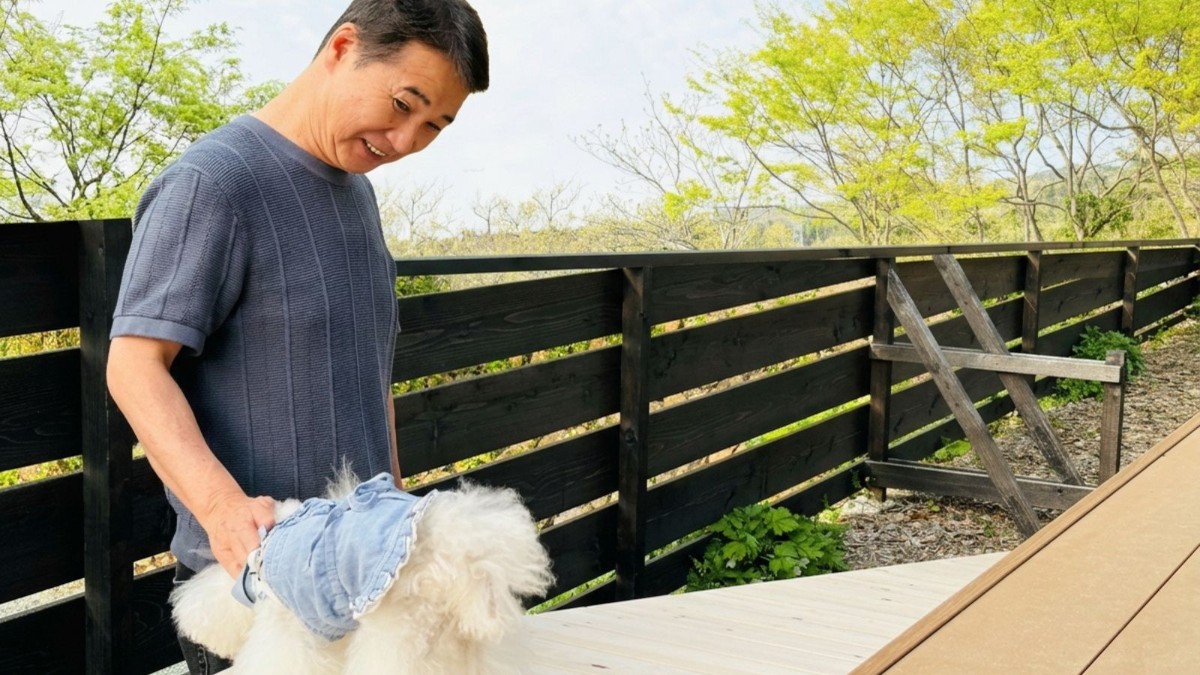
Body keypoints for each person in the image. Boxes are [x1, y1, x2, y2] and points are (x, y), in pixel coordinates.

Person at [105, 1, 488, 672]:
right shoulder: (212, 183)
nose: (405, 141)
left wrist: (397, 512)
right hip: (256, 597)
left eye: (434, 126)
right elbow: (134, 366)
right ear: (343, 47)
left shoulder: (357, 193)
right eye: (404, 104)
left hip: (367, 584)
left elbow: (367, 372)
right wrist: (223, 510)